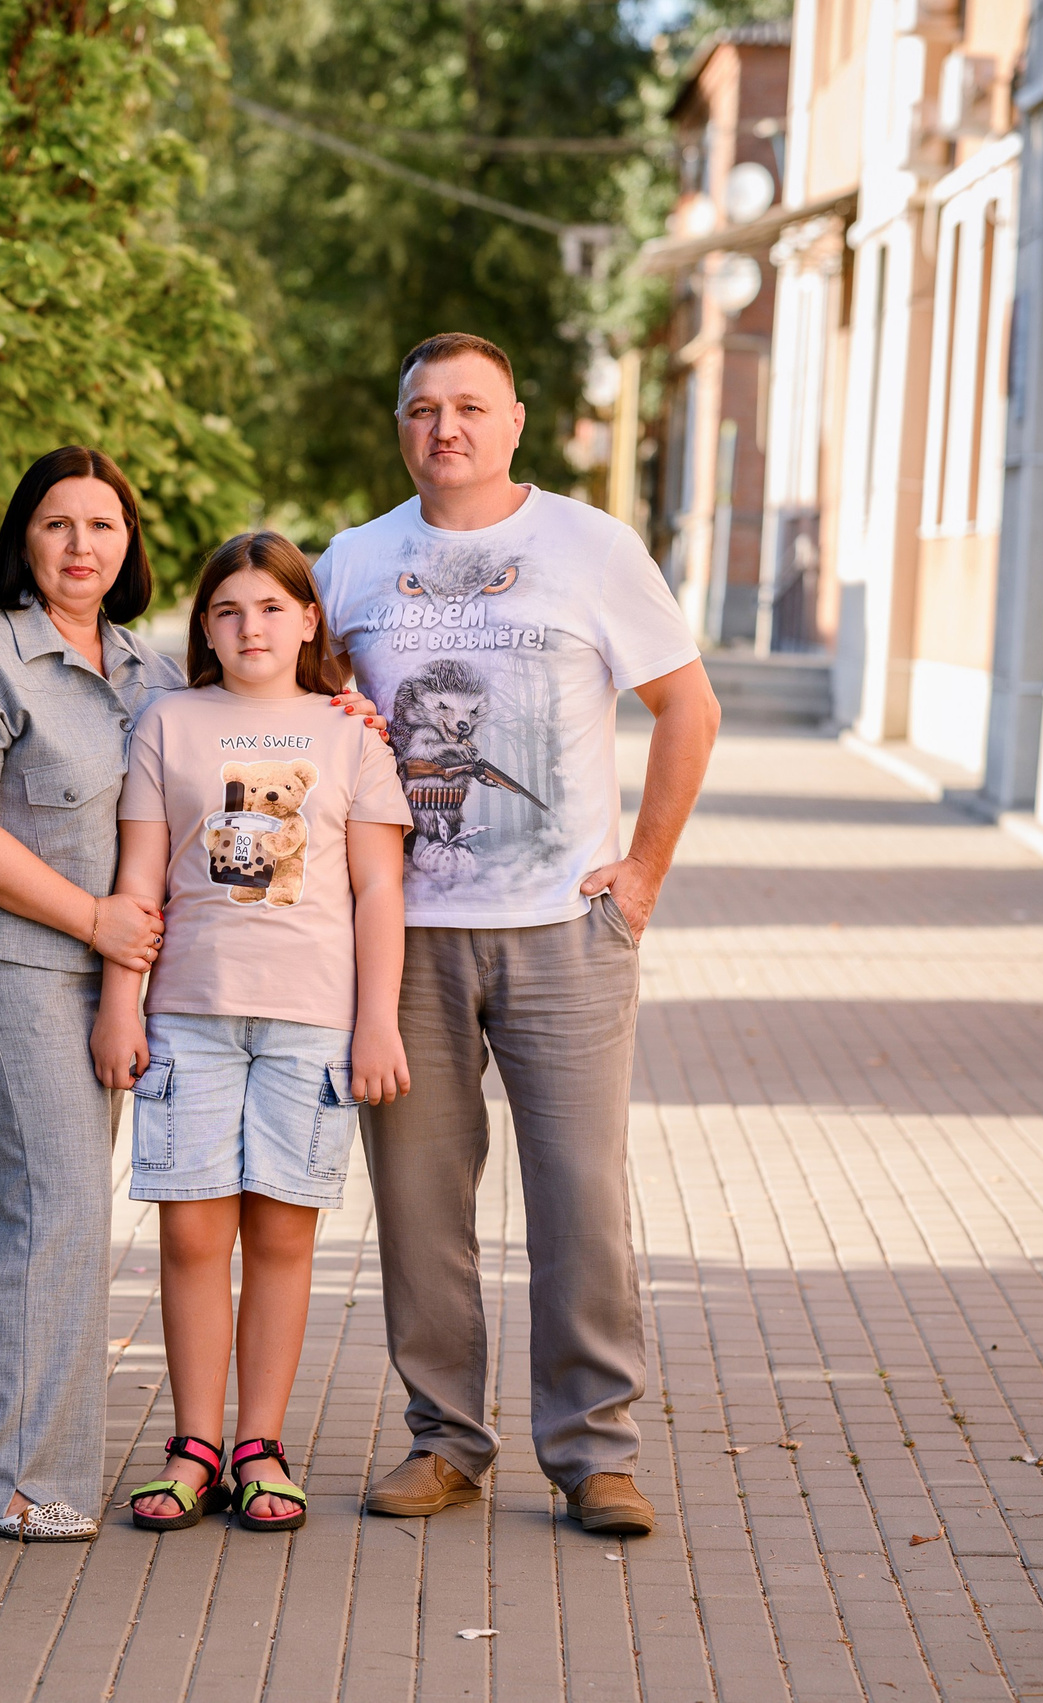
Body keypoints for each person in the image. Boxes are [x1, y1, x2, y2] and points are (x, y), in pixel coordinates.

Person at [314, 332, 720, 1536]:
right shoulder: (352, 561)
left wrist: (640, 875)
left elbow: (687, 708)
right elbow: (297, 702)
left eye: (471, 407)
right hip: (405, 937)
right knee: (419, 1202)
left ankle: (594, 1452)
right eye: (422, 408)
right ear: (399, 427)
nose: (446, 427)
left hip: (562, 933)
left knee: (581, 1197)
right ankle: (444, 1440)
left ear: (516, 422)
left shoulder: (591, 547)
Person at [91, 532, 412, 1534]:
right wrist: (118, 1000)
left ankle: (259, 1444)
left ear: (309, 619)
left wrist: (376, 1024)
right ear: (204, 628)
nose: (249, 626)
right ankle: (194, 1444)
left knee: (281, 1233)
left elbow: (377, 889)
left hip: (311, 1022)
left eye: (271, 607)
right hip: (189, 1012)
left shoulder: (349, 731)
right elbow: (136, 880)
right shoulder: (168, 722)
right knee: (191, 1232)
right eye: (226, 610)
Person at [0, 446, 181, 1542]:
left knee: (13, 1210)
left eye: (102, 526)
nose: (80, 546)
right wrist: (95, 921)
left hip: (99, 977)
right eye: (58, 524)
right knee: (54, 1205)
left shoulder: (145, 670)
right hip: (7, 966)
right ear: (24, 537)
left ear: (127, 546)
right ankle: (5, 1480)